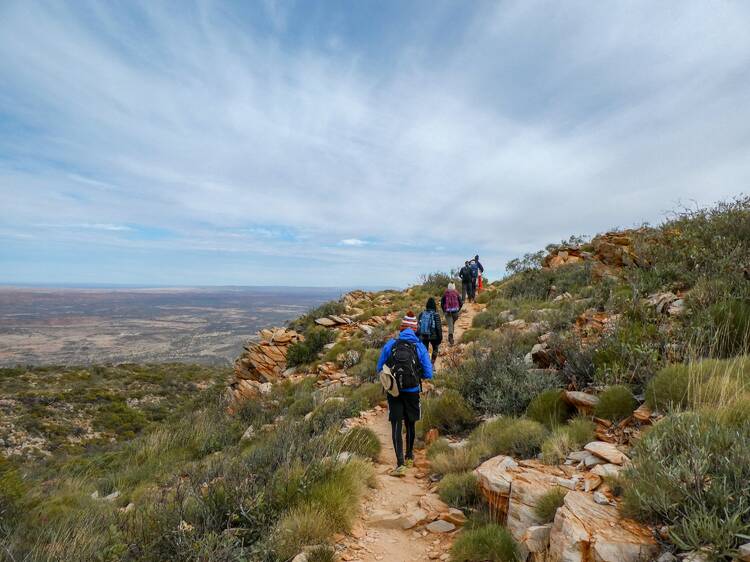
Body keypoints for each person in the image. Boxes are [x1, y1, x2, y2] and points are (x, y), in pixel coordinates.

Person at [377, 312, 433, 477]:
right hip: (412, 390)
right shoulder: (419, 346)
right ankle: (409, 456)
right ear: (415, 328)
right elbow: (429, 373)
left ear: (402, 328)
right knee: (410, 423)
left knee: (395, 424)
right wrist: (417, 375)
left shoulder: (391, 344)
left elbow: (379, 367)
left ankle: (400, 463)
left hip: (394, 390)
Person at [417, 297, 442, 363]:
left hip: (424, 335)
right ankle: (432, 364)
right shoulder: (436, 315)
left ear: (427, 305)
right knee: (435, 348)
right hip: (434, 336)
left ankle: (426, 364)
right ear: (434, 306)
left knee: (425, 351)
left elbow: (418, 326)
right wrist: (440, 338)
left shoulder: (422, 314)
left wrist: (418, 336)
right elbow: (438, 328)